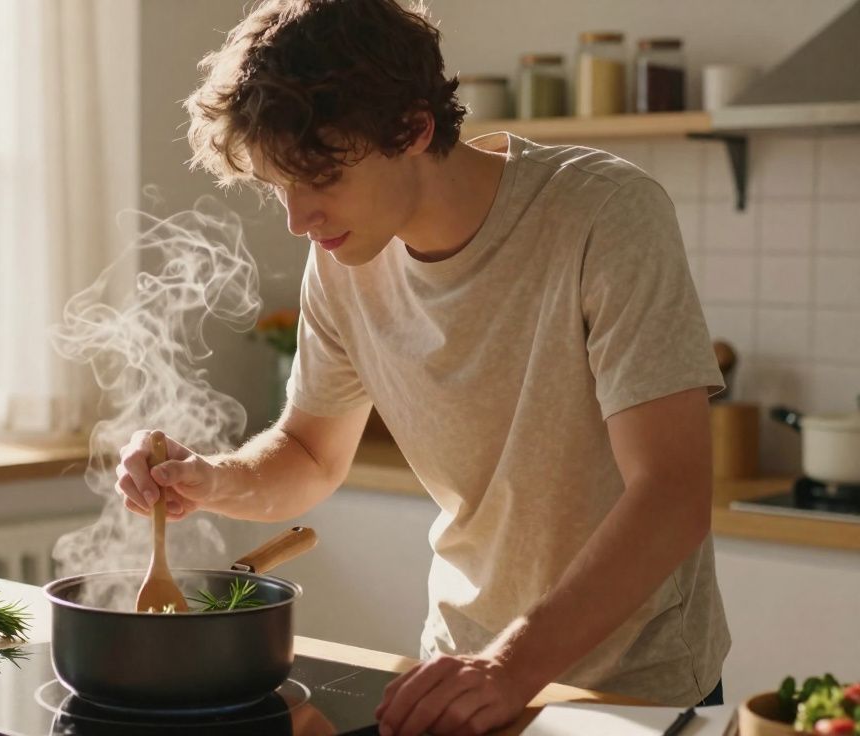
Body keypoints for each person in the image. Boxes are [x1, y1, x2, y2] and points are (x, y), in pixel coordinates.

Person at [115, 1, 729, 733]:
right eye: (279, 186)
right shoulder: (343, 261)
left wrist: (511, 667)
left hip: (629, 690)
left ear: (412, 128)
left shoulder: (605, 214)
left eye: (320, 178)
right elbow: (310, 453)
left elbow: (671, 496)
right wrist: (214, 479)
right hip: (458, 676)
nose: (297, 219)